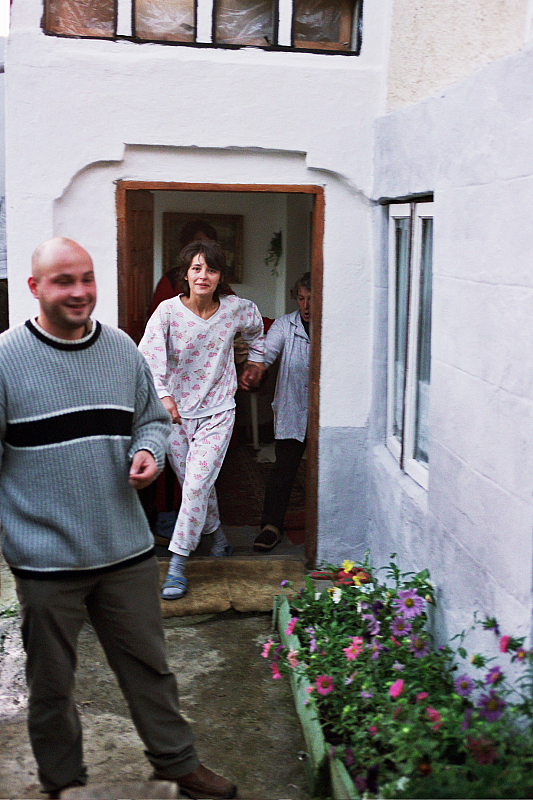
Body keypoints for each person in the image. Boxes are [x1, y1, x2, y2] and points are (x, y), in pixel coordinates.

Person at [0, 237, 236, 800]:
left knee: (151, 671)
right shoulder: (6, 361)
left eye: (86, 278)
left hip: (126, 552)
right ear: (34, 288)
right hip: (46, 562)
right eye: (64, 281)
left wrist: (151, 451)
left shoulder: (121, 350)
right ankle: (62, 783)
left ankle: (178, 764)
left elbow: (151, 419)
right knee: (52, 688)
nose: (80, 291)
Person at [139, 239, 264, 600]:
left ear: (220, 275)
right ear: (185, 274)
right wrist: (163, 397)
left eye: (210, 269)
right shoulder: (167, 313)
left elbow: (258, 333)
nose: (203, 275)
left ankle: (178, 565)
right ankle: (219, 538)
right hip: (176, 417)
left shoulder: (237, 309)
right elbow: (147, 359)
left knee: (193, 487)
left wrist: (256, 362)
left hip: (219, 412)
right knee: (199, 486)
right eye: (196, 268)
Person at [253, 272, 311, 552]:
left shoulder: (331, 327)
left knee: (324, 471)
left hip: (324, 415)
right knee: (284, 471)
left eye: (313, 299)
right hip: (292, 408)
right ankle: (271, 526)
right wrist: (257, 366)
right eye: (301, 299)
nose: (306, 306)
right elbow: (267, 351)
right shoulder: (285, 325)